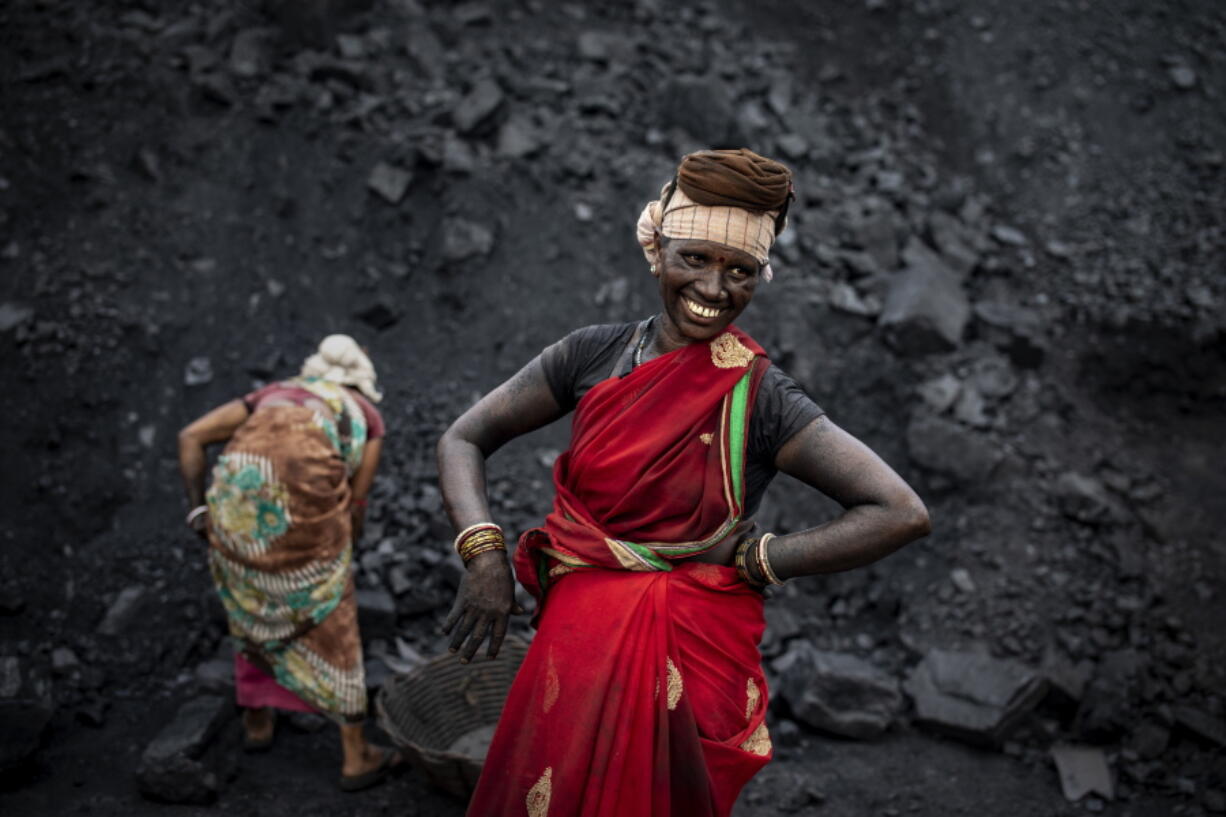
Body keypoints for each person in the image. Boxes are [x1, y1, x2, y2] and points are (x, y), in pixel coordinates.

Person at [437, 149, 931, 816]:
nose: (713, 287)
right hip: (575, 640)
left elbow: (899, 510)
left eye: (741, 271)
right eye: (694, 258)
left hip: (684, 648)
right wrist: (484, 552)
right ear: (657, 248)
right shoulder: (594, 354)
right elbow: (464, 436)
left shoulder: (760, 397)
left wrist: (761, 560)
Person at [177, 334, 400, 792]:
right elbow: (355, 503)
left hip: (236, 502)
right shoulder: (367, 417)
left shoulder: (271, 395)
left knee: (249, 597)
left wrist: (199, 510)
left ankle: (258, 720)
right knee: (331, 611)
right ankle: (356, 755)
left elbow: (191, 437)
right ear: (360, 384)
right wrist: (340, 559)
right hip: (309, 499)